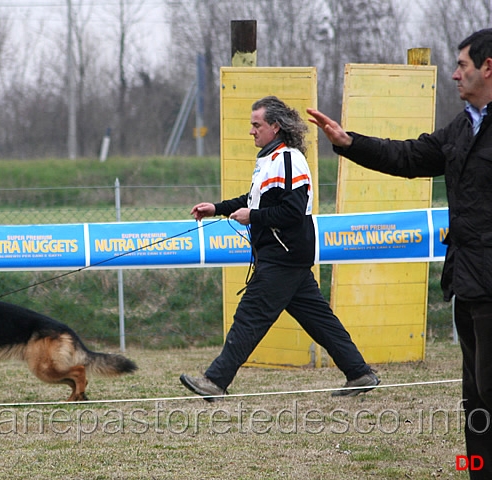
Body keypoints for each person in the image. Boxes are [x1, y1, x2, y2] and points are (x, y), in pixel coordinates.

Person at [307, 28, 492, 480]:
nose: (454, 74)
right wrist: (349, 143)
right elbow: (408, 157)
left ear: (489, 67)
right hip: (466, 286)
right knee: (477, 402)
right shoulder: (462, 127)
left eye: (463, 65)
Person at [180, 95, 379, 402]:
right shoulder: (271, 160)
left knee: (250, 316)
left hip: (283, 256)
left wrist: (253, 217)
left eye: (256, 125)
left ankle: (215, 381)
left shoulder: (288, 159)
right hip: (287, 256)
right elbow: (255, 200)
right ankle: (359, 373)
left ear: (275, 126)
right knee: (320, 321)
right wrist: (216, 208)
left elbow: (292, 212)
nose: (251, 131)